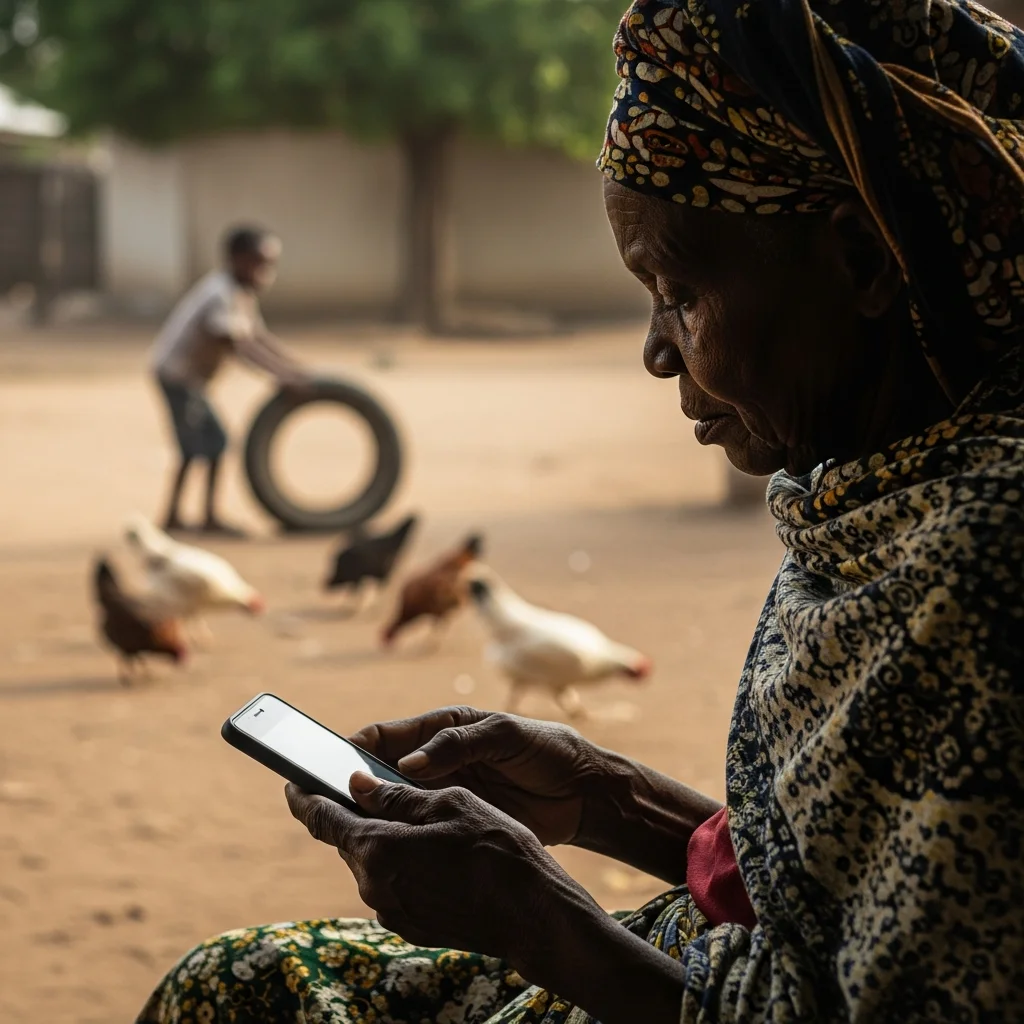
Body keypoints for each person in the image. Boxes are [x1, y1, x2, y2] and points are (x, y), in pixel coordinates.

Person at [137, 0, 1024, 1021]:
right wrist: (605, 794)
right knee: (241, 977)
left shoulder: (980, 566)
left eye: (678, 290)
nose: (655, 351)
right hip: (703, 960)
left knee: (236, 997)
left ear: (860, 261)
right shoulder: (873, 488)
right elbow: (830, 884)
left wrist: (537, 921)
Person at [151, 226, 310, 536]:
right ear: (237, 259)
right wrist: (282, 376)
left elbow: (258, 337)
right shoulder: (219, 295)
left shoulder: (240, 294)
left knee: (209, 444)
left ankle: (191, 515)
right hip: (177, 378)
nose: (265, 271)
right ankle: (184, 516)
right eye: (258, 262)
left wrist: (295, 367)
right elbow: (237, 345)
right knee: (201, 445)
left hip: (190, 380)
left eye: (269, 264)